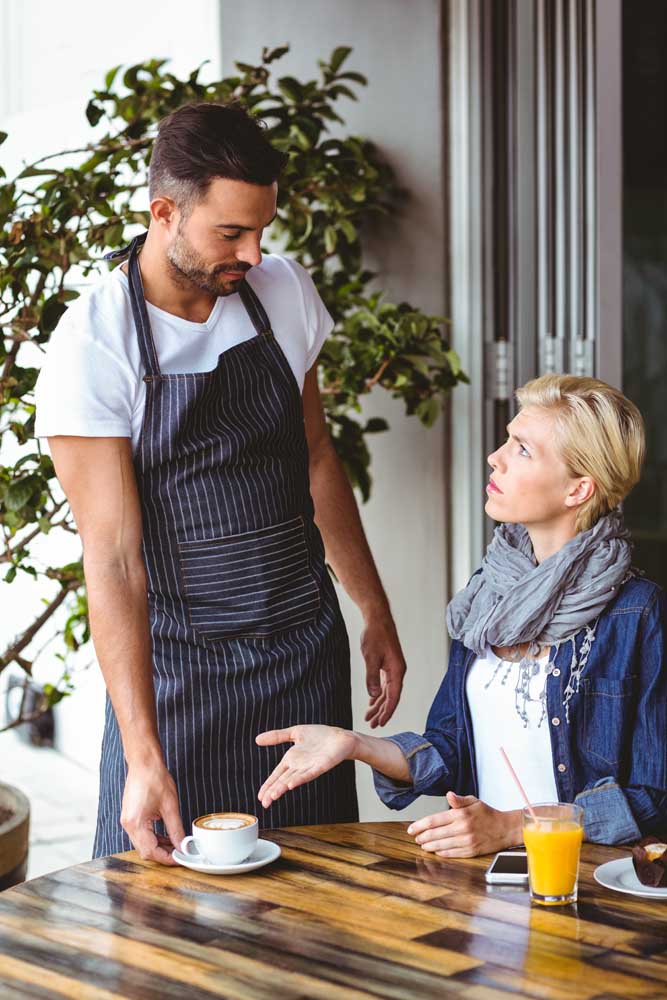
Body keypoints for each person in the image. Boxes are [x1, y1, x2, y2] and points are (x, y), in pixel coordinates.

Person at [35, 102, 407, 863]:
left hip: (301, 650)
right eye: (230, 232)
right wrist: (142, 756)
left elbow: (314, 457)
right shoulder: (94, 342)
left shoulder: (279, 291)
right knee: (161, 906)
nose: (253, 251)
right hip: (179, 676)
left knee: (316, 890)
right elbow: (111, 557)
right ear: (163, 212)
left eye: (263, 229)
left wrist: (372, 607)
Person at [256, 374, 667, 856]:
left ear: (578, 490)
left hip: (585, 890)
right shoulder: (488, 596)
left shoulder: (636, 612)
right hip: (485, 885)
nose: (496, 457)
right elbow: (450, 747)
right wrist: (356, 745)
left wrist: (515, 828)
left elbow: (652, 799)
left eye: (523, 450)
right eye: (507, 441)